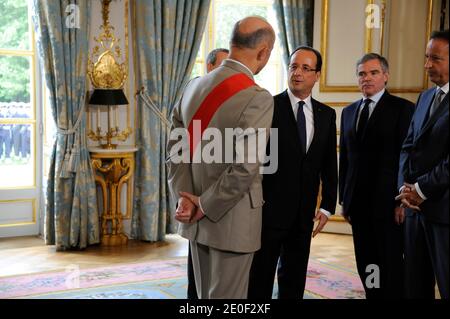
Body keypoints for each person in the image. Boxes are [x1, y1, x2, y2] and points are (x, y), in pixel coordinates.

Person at [167, 16, 275, 299]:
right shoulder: (257, 97)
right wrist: (204, 204)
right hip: (232, 220)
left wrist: (186, 198)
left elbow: (176, 151)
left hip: (195, 217)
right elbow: (245, 167)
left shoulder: (193, 86)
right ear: (263, 53)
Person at [248, 46, 338, 299]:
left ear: (317, 75)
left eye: (305, 68)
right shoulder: (269, 106)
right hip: (268, 211)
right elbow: (252, 160)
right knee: (260, 278)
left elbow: (329, 163)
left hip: (303, 213)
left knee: (294, 278)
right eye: (293, 66)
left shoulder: (326, 114)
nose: (297, 73)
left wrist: (327, 206)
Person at [339, 53, 414, 298]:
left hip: (389, 206)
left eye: (373, 73)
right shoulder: (349, 112)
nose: (367, 78)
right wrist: (345, 200)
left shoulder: (402, 109)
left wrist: (403, 201)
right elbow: (346, 160)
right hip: (358, 206)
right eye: (362, 74)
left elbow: (407, 158)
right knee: (366, 262)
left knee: (390, 265)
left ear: (385, 76)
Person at [396, 29, 449, 299]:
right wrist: (406, 191)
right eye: (427, 57)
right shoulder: (425, 96)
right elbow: (408, 146)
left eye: (435, 59)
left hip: (444, 213)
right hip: (415, 212)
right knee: (415, 287)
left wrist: (421, 190)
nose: (427, 65)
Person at [186, 47, 229, 300]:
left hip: (225, 190)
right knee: (198, 257)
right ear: (210, 67)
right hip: (199, 187)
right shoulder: (195, 94)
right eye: (223, 66)